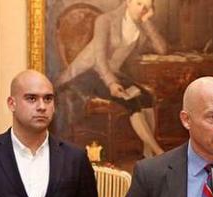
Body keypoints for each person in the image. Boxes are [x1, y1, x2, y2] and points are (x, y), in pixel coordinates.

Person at [55, 0, 167, 157]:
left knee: (147, 98)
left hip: (111, 72)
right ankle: (159, 152)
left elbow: (162, 49)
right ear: (128, 2)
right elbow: (99, 59)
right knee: (131, 101)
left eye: (146, 6)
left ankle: (148, 153)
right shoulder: (106, 20)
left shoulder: (141, 25)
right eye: (139, 3)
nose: (142, 9)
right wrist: (112, 83)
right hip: (87, 73)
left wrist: (146, 21)